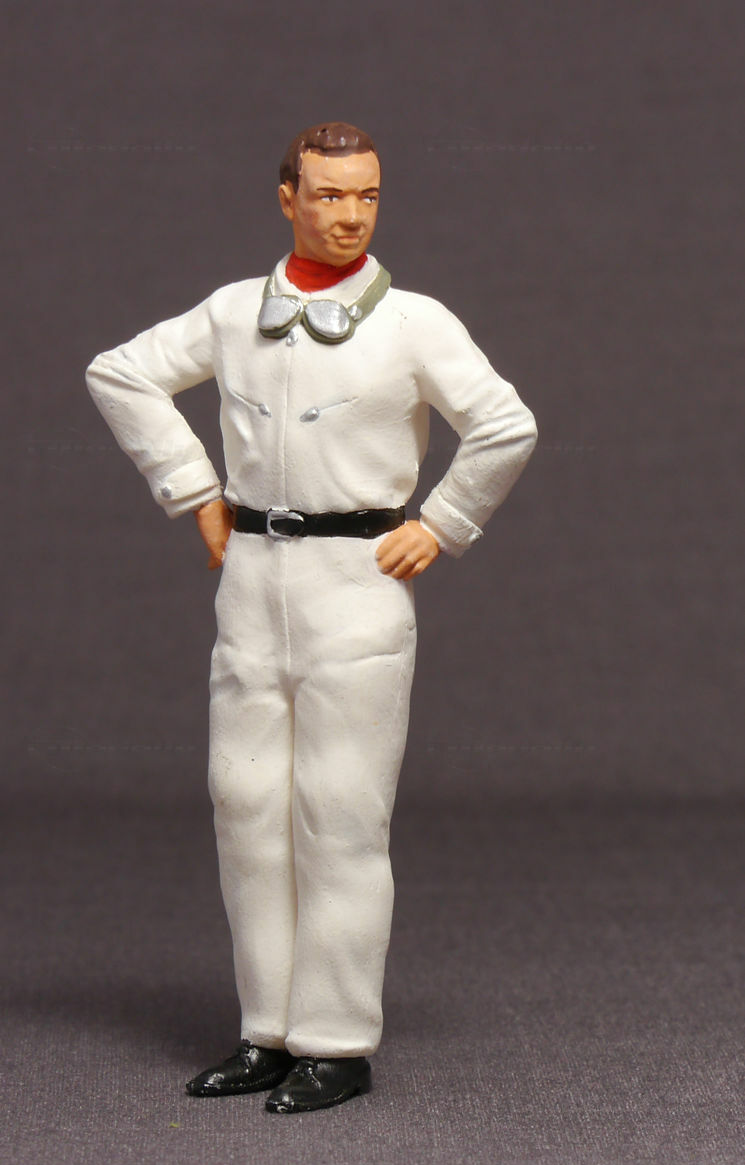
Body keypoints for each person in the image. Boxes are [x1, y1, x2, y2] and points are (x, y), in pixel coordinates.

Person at [86, 122, 537, 1113]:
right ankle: (266, 1028)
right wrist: (191, 487)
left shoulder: (413, 321)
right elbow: (120, 371)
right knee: (245, 806)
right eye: (329, 195)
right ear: (287, 197)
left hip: (355, 584)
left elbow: (504, 424)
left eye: (366, 195)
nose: (349, 215)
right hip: (253, 581)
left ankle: (334, 1039)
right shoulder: (230, 313)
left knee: (340, 814)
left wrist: (442, 522)